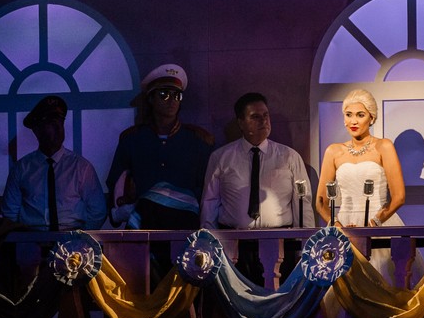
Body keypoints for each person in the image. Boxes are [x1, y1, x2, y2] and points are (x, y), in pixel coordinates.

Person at [105, 63, 215, 280]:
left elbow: (208, 190)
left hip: (185, 232)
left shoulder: (198, 141)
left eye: (176, 95)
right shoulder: (132, 140)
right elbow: (116, 185)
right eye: (164, 94)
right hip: (144, 233)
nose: (171, 100)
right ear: (151, 99)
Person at [201, 91, 316, 286]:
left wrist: (305, 247)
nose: (263, 121)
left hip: (281, 244)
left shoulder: (289, 157)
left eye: (266, 115)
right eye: (255, 117)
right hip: (235, 246)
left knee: (280, 297)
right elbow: (210, 202)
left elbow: (302, 203)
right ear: (241, 122)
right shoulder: (221, 157)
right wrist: (208, 244)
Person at [315, 88, 405, 282]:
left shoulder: (384, 146)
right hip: (344, 225)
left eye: (360, 115)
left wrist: (375, 223)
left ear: (372, 118)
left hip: (378, 224)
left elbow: (399, 197)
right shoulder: (333, 151)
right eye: (348, 115)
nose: (353, 121)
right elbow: (321, 202)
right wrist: (338, 228)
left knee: (380, 282)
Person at [1, 94, 107, 231]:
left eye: (60, 123)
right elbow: (10, 214)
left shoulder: (81, 167)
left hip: (71, 239)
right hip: (32, 238)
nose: (58, 128)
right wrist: (25, 238)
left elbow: (98, 212)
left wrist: (79, 239)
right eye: (51, 123)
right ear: (37, 130)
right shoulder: (22, 169)